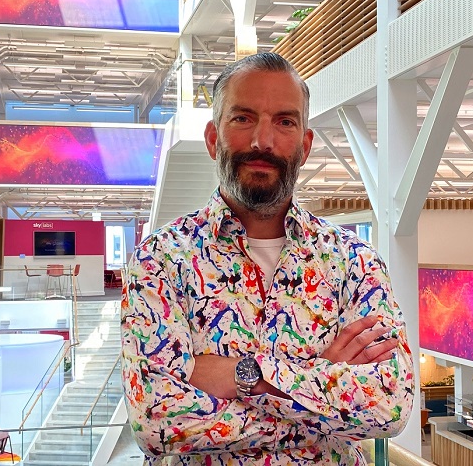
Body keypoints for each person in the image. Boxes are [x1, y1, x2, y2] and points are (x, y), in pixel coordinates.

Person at [121, 52, 415, 465]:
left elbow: (390, 405)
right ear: (213, 138)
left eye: (285, 122)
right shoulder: (160, 259)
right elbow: (155, 421)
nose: (263, 140)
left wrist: (247, 377)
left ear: (305, 146)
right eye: (243, 118)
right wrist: (321, 380)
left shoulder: (355, 262)